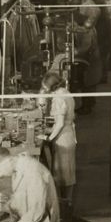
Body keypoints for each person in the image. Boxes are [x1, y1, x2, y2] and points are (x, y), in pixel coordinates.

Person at [40, 72, 77, 205]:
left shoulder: (58, 98)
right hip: (68, 134)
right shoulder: (65, 92)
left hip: (63, 138)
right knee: (67, 171)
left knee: (63, 173)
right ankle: (67, 202)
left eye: (45, 88)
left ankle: (66, 204)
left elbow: (60, 123)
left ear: (50, 87)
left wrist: (49, 137)